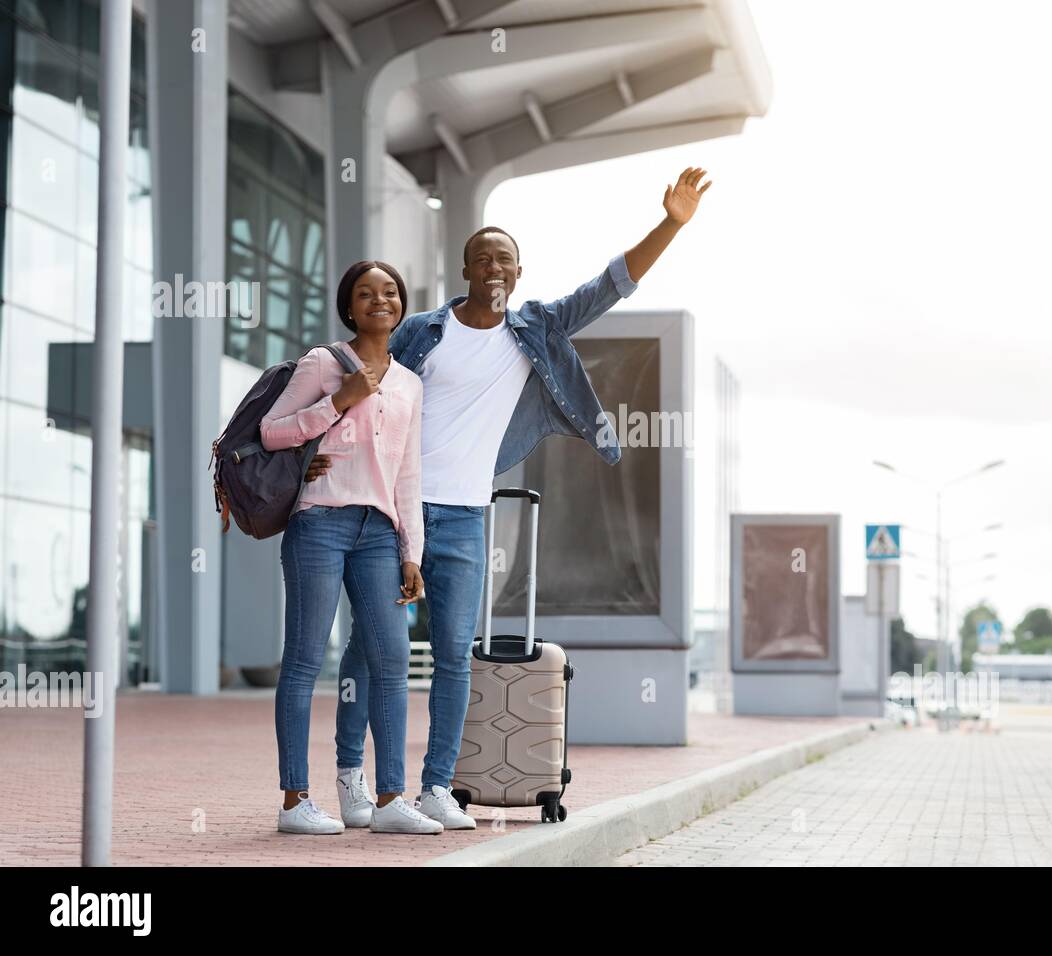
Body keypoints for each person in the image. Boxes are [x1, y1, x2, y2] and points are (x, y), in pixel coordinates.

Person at [314, 168, 713, 830]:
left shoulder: (538, 331)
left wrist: (671, 222)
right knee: (369, 650)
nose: (494, 265)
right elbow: (365, 390)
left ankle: (436, 786)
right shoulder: (420, 331)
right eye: (483, 256)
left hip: (469, 517)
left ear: (519, 273)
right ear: (465, 268)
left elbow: (611, 284)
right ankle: (354, 783)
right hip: (395, 511)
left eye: (505, 257)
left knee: (453, 657)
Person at [260, 260, 438, 835]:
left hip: (379, 534)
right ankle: (294, 802)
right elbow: (270, 431)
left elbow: (407, 475)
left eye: (389, 292)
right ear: (349, 305)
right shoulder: (323, 363)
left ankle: (389, 800)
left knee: (390, 661)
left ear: (401, 303)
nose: (379, 300)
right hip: (319, 523)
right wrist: (338, 402)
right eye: (366, 293)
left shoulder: (410, 383)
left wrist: (412, 552)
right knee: (306, 658)